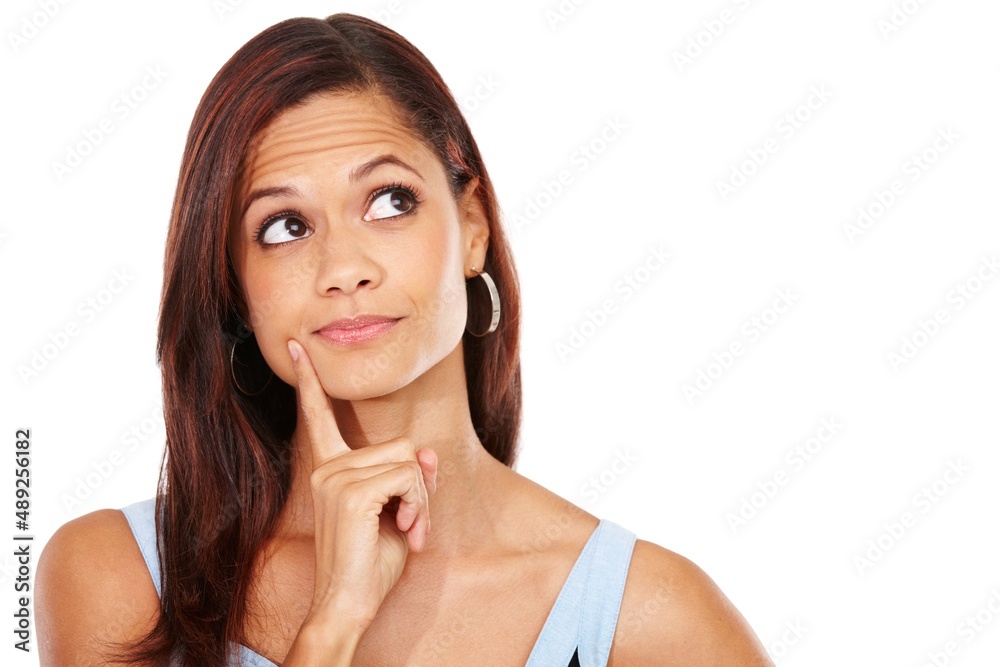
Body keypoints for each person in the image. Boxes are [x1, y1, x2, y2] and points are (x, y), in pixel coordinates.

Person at [36, 13, 772, 666]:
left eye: (390, 202)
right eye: (285, 226)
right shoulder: (119, 579)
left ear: (473, 227)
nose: (345, 268)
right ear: (233, 285)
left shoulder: (645, 620)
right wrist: (333, 622)